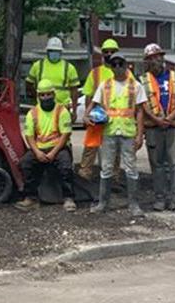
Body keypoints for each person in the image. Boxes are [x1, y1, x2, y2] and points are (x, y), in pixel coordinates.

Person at [86, 52, 146, 217]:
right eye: (114, 64)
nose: (118, 67)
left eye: (121, 64)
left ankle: (133, 204)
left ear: (126, 65)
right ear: (111, 67)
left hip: (128, 132)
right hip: (109, 131)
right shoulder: (105, 85)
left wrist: (140, 134)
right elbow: (94, 102)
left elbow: (140, 112)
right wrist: (86, 115)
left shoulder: (136, 86)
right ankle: (103, 203)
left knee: (131, 168)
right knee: (106, 168)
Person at [140, 43, 175, 215]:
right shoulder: (142, 80)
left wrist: (169, 118)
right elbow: (142, 104)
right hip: (153, 128)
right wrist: (156, 119)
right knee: (157, 165)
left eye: (158, 57)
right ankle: (160, 199)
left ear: (162, 58)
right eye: (151, 58)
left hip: (174, 127)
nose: (155, 61)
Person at [15, 79, 76, 212]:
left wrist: (53, 153)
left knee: (65, 164)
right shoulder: (33, 113)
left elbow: (65, 135)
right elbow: (29, 136)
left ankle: (68, 198)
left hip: (58, 147)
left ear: (53, 94)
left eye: (48, 94)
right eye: (42, 95)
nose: (45, 97)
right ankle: (31, 198)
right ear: (38, 96)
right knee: (25, 163)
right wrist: (37, 152)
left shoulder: (62, 111)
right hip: (39, 148)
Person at [77, 38, 129, 180]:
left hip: (117, 117)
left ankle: (114, 176)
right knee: (91, 145)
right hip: (97, 115)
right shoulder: (95, 73)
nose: (109, 54)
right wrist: (88, 116)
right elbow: (89, 95)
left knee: (114, 148)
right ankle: (85, 172)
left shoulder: (126, 73)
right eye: (106, 52)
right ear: (102, 54)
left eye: (112, 51)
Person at [26, 37, 80, 122]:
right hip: (42, 109)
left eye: (57, 51)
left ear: (61, 52)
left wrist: (74, 111)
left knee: (64, 133)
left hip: (62, 109)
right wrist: (36, 97)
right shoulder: (37, 66)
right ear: (47, 51)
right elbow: (29, 84)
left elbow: (74, 91)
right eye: (52, 51)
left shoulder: (69, 68)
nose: (54, 53)